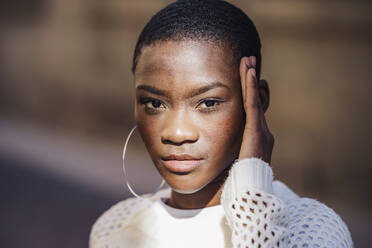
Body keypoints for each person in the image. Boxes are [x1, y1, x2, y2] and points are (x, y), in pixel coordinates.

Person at [89, 1, 353, 247]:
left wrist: (252, 196)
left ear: (256, 102)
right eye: (155, 103)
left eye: (208, 103)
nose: (176, 132)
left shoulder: (312, 230)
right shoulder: (114, 228)